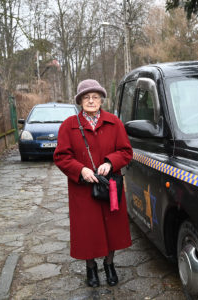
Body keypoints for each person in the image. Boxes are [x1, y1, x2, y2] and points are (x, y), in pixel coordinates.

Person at [54, 79, 133, 287]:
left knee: (112, 229)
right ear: (80, 100)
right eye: (86, 97)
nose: (91, 100)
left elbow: (126, 152)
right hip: (82, 190)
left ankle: (109, 264)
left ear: (101, 99)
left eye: (95, 97)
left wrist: (110, 162)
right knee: (88, 231)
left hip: (110, 187)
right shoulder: (68, 125)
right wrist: (80, 169)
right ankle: (91, 268)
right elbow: (61, 156)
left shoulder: (114, 122)